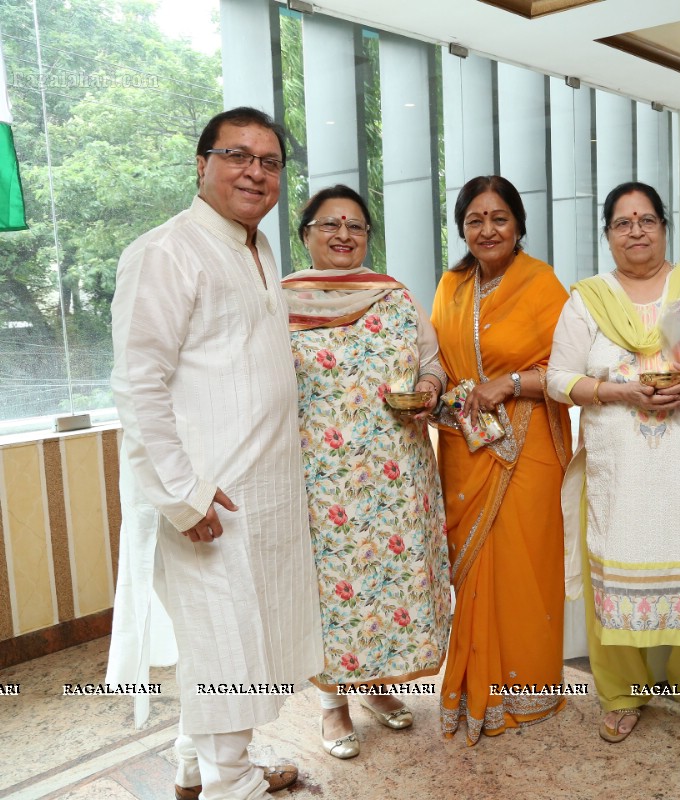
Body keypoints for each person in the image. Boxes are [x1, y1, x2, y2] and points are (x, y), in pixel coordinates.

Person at [106, 107, 323, 800]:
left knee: (233, 640)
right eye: (238, 155)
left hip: (264, 492)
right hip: (210, 497)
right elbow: (138, 385)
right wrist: (183, 495)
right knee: (224, 640)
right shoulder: (164, 251)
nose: (255, 171)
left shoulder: (257, 250)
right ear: (201, 165)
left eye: (270, 161)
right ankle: (235, 785)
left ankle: (198, 764)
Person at [547, 181, 680, 746]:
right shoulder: (586, 299)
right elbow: (559, 380)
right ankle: (621, 693)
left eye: (646, 220)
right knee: (614, 577)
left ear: (664, 226)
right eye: (622, 222)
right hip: (619, 472)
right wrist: (621, 392)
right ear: (608, 234)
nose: (635, 231)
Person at [281, 185, 452, 759]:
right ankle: (332, 706)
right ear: (305, 235)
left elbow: (431, 362)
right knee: (331, 590)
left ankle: (376, 687)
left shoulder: (394, 297)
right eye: (329, 224)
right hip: (317, 474)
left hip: (394, 474)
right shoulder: (279, 302)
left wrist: (428, 387)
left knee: (382, 584)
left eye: (355, 226)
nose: (343, 236)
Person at [430, 175, 572, 744]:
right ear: (462, 228)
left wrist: (509, 383)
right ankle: (471, 689)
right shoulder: (451, 285)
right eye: (474, 221)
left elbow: (568, 371)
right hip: (467, 446)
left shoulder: (542, 283)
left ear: (518, 224)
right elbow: (439, 359)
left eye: (499, 219)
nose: (487, 230)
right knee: (474, 571)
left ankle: (529, 691)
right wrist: (428, 389)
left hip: (530, 446)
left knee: (524, 566)